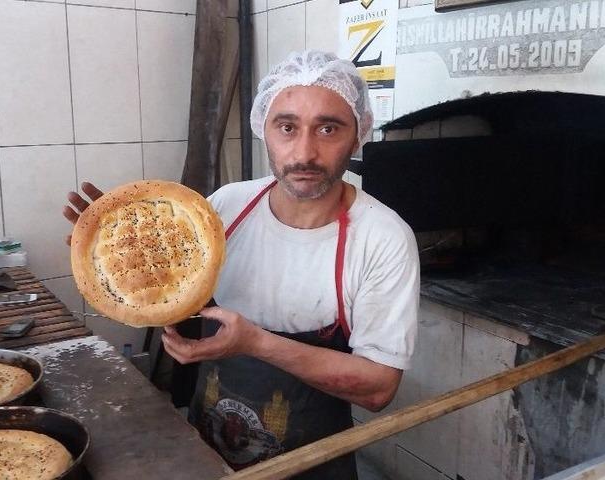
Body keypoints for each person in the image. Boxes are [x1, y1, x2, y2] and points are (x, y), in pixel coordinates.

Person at [63, 50, 419, 479]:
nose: (304, 152)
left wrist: (255, 343)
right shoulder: (227, 207)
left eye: (328, 128)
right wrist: (128, 253)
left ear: (359, 132)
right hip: (209, 450)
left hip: (313, 464)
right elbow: (176, 296)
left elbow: (379, 388)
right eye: (287, 127)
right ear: (263, 130)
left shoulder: (382, 238)